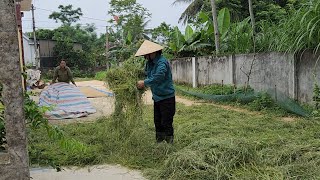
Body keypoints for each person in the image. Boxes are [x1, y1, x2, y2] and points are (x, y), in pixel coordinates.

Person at [136, 40, 176, 143]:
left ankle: (169, 143)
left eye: (146, 55)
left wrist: (144, 83)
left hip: (167, 98)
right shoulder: (149, 63)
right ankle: (159, 142)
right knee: (157, 121)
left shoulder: (162, 62)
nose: (145, 57)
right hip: (157, 97)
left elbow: (159, 76)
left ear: (152, 53)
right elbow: (146, 73)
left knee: (166, 122)